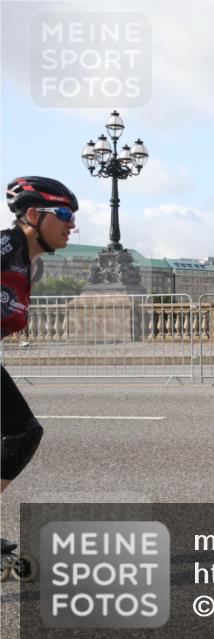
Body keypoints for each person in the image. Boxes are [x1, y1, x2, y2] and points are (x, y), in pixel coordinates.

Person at [1, 176, 78, 559]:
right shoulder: (4, 246)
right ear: (33, 214)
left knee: (22, 433)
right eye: (63, 214)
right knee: (21, 431)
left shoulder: (28, 262)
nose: (72, 224)